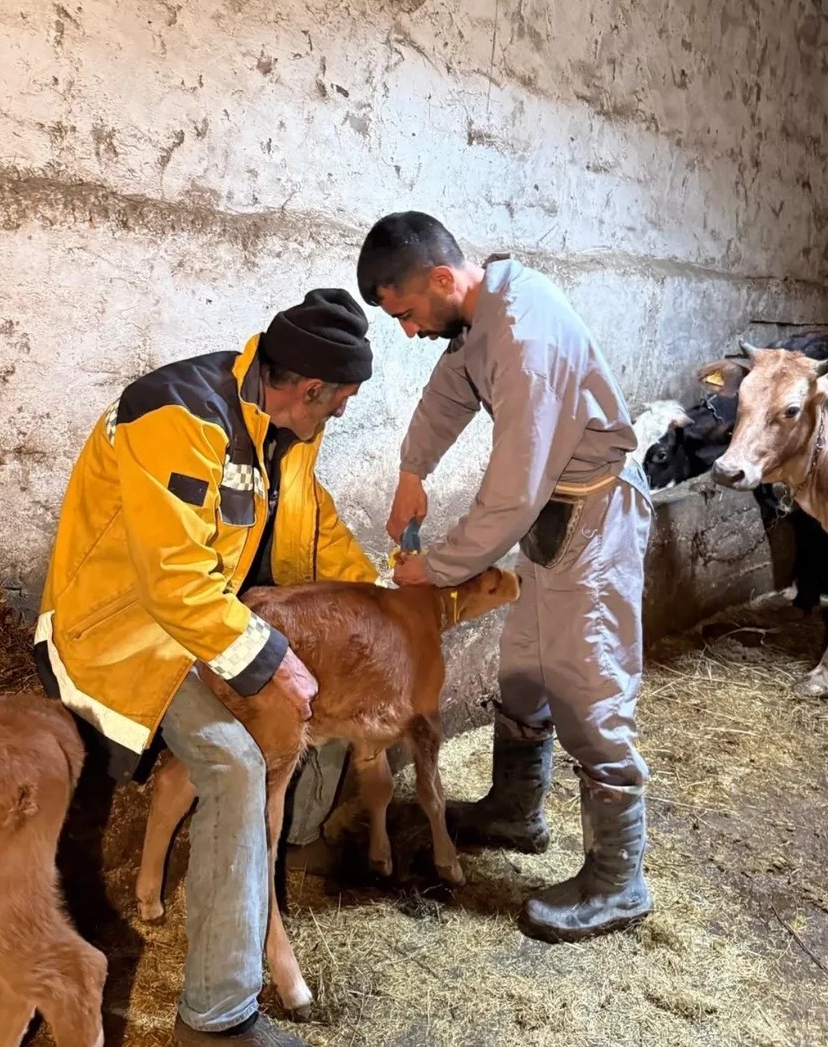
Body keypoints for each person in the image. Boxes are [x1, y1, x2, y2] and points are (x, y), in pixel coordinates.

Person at [33, 289, 379, 1046]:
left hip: (206, 628)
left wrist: (378, 598)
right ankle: (218, 1021)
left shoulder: (287, 429)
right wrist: (275, 660)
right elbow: (174, 582)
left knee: (268, 753)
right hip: (125, 630)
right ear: (310, 387)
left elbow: (309, 529)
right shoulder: (177, 415)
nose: (343, 414)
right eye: (343, 399)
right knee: (233, 763)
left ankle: (232, 980)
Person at [356, 213, 654, 943]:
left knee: (588, 685)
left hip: (593, 516)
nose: (408, 329)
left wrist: (440, 568)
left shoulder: (524, 335)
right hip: (555, 514)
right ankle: (517, 810)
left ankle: (619, 879)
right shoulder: (476, 321)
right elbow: (449, 391)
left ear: (440, 279)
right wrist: (410, 469)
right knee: (525, 668)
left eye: (406, 313)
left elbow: (514, 490)